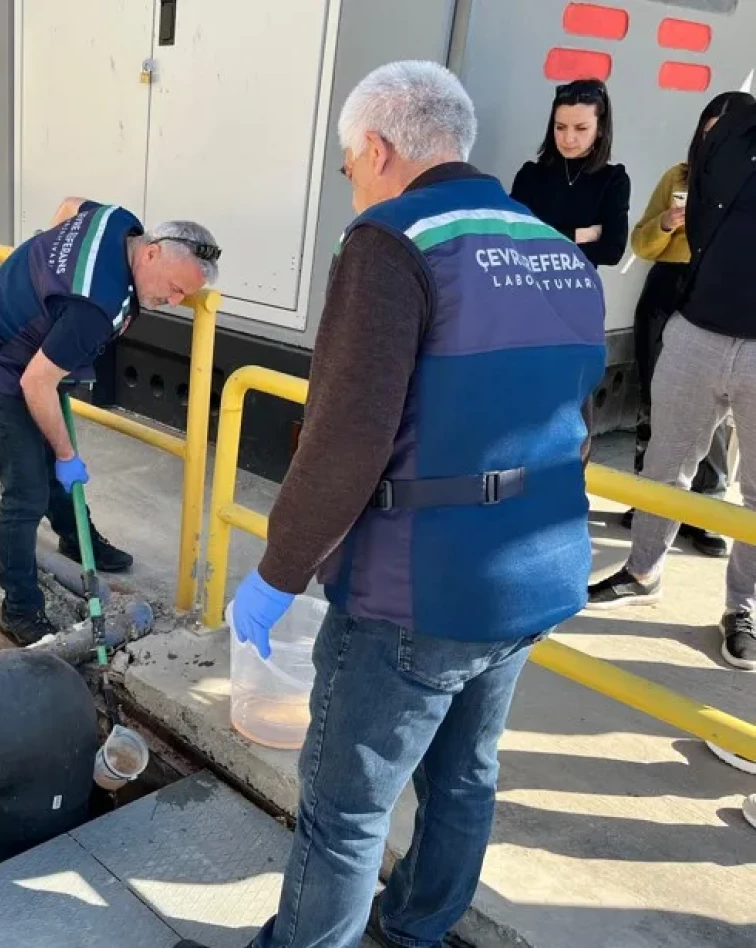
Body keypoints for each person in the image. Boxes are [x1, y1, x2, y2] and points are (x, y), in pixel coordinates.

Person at [177, 61, 606, 948]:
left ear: (376, 148)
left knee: (345, 809)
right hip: (536, 570)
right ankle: (414, 932)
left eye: (348, 168)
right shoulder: (555, 249)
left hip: (418, 590)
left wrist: (278, 573)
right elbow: (578, 418)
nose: (352, 187)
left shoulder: (390, 241)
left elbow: (345, 439)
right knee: (465, 778)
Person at [0, 199, 219, 642]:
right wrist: (66, 454)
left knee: (49, 467)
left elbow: (69, 206)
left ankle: (77, 539)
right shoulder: (97, 307)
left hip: (30, 354)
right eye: (174, 288)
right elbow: (36, 384)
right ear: (152, 253)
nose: (173, 302)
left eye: (183, 296)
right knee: (26, 491)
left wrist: (48, 292)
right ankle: (20, 609)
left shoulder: (119, 221)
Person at [588, 98, 756, 680]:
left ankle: (743, 608)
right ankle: (642, 572)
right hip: (696, 329)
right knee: (664, 465)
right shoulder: (721, 143)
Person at [621, 92, 755, 557]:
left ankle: (707, 510)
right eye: (709, 129)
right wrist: (666, 223)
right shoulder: (679, 177)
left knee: (720, 425)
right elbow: (641, 244)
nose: (715, 140)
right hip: (671, 293)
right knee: (661, 409)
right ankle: (648, 516)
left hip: (726, 308)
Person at [510, 78, 630, 268]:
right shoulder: (530, 175)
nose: (568, 138)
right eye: (560, 127)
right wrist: (578, 235)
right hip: (527, 280)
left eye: (581, 128)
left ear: (600, 128)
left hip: (577, 283)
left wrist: (543, 239)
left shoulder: (613, 179)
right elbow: (514, 238)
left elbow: (611, 252)